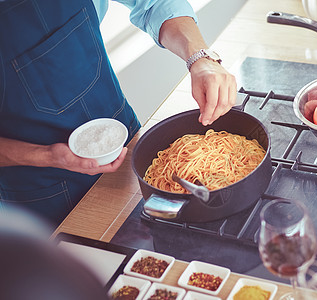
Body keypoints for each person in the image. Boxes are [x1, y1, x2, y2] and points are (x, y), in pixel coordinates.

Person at [0, 0, 237, 228]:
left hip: (123, 141)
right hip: (40, 185)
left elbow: (154, 3)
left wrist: (200, 58)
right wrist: (48, 156)